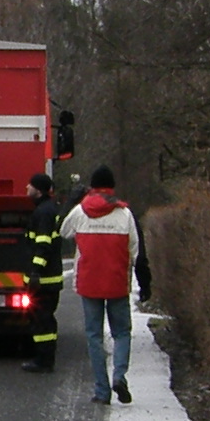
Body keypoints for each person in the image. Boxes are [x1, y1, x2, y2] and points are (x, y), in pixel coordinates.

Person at [59, 165, 149, 404]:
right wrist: (140, 280)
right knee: (121, 332)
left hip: (89, 282)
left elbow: (63, 230)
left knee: (94, 335)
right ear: (112, 186)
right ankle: (119, 375)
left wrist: (73, 201)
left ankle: (102, 390)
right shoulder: (124, 214)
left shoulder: (80, 211)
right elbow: (135, 250)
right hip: (117, 281)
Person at [16, 169, 65, 371]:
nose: (26, 187)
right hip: (48, 278)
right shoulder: (48, 209)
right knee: (44, 320)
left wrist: (36, 271)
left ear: (38, 190)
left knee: (42, 321)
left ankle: (44, 361)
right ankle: (44, 358)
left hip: (44, 280)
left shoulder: (43, 212)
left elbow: (43, 244)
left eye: (30, 185)